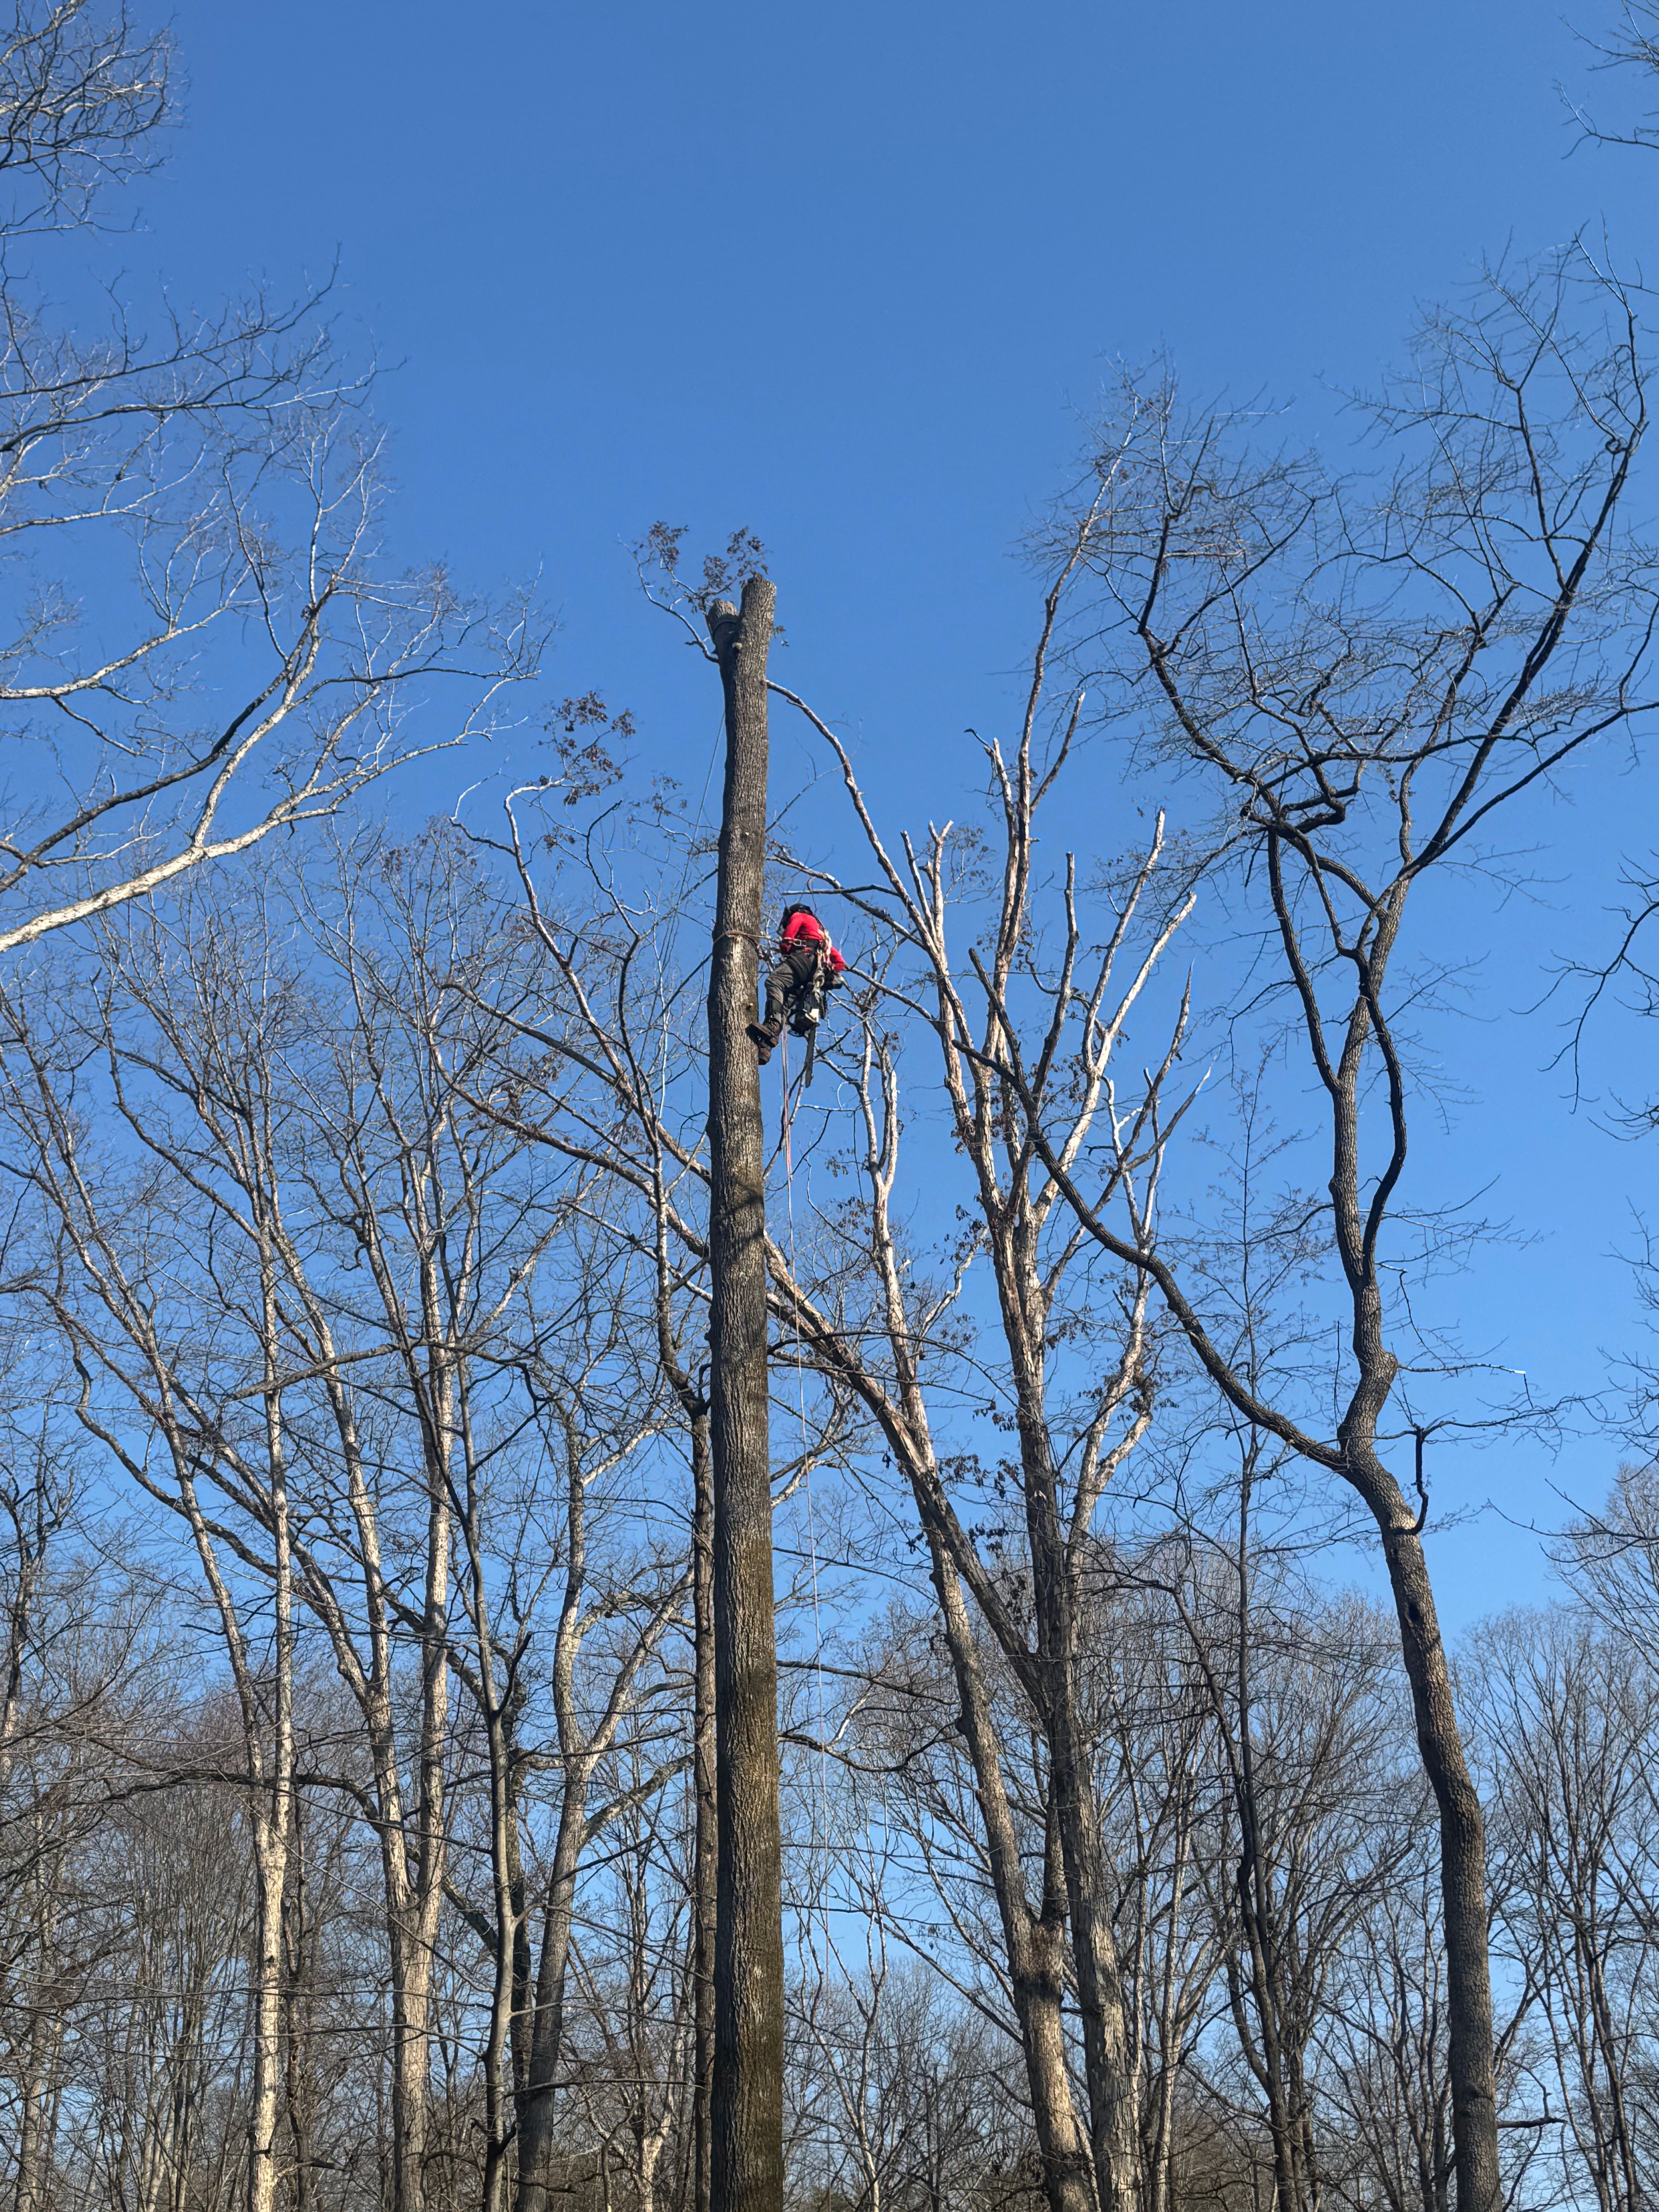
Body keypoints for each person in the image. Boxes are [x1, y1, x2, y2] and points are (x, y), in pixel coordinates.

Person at [748, 902, 845, 1064]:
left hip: (804, 959)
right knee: (785, 1003)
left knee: (775, 982)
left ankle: (772, 1026)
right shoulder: (823, 936)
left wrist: (787, 950)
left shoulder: (800, 916)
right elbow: (840, 963)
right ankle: (765, 1047)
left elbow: (787, 940)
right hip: (815, 973)